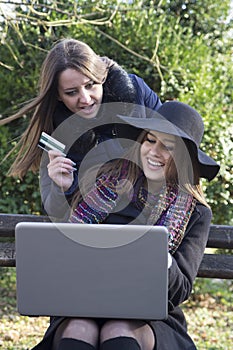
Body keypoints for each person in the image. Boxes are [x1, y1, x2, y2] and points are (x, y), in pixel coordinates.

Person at [31, 101, 220, 350]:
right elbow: (69, 241)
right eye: (150, 140)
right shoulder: (108, 181)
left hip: (150, 315)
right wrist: (61, 188)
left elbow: (180, 289)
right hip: (84, 300)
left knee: (117, 328)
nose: (154, 151)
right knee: (79, 328)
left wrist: (157, 254)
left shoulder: (196, 212)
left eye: (168, 147)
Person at [5, 38, 162, 220]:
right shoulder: (53, 133)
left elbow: (175, 144)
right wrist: (60, 188)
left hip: (153, 212)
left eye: (90, 85)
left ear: (101, 77)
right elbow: (54, 213)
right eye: (72, 92)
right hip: (97, 227)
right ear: (57, 95)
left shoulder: (135, 91)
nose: (86, 99)